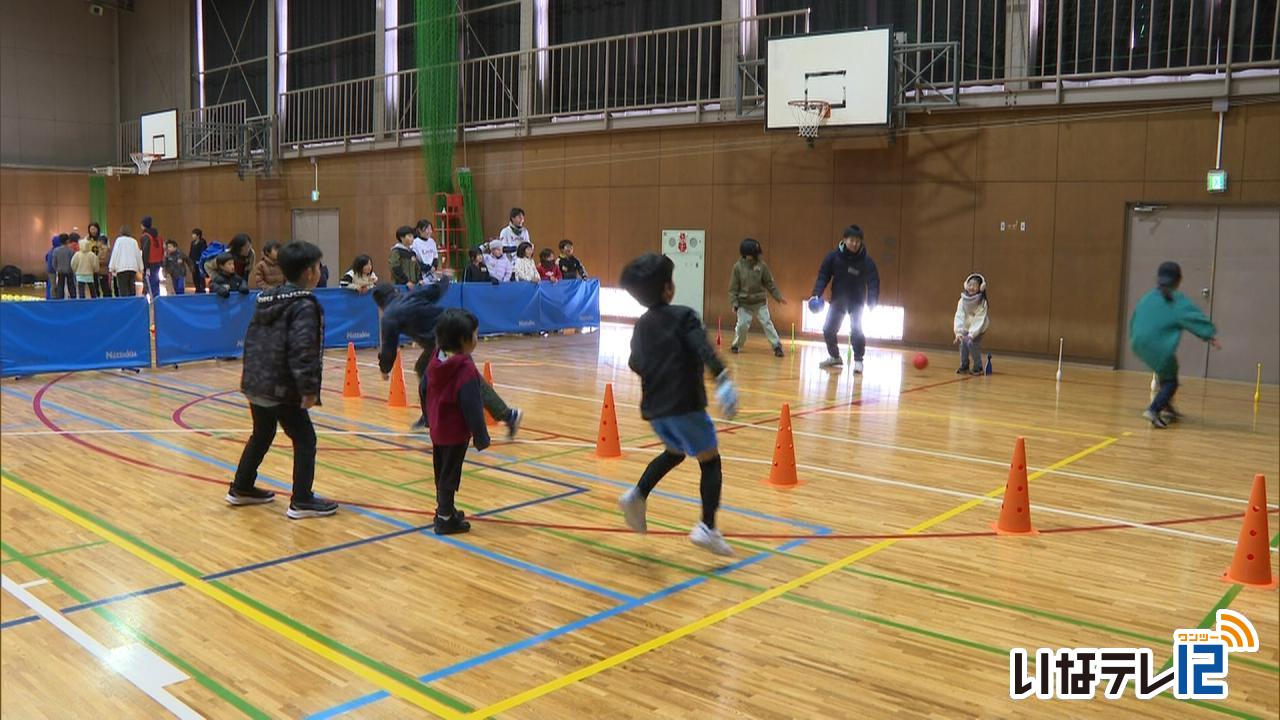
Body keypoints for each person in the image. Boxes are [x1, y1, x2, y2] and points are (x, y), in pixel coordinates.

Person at [615, 253, 740, 556]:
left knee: (675, 453)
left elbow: (635, 362)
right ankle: (707, 527)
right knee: (710, 460)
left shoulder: (641, 325)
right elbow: (702, 347)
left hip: (656, 410)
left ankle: (637, 494)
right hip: (685, 405)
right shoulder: (684, 315)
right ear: (668, 289)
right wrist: (722, 378)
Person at [226, 240, 338, 519]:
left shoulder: (267, 298)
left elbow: (254, 340)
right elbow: (303, 349)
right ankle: (302, 499)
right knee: (305, 439)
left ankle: (241, 487)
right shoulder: (304, 305)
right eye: (318, 265)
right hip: (281, 386)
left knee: (262, 434)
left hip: (256, 382)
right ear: (310, 272)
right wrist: (308, 388)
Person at [373, 280, 522, 436]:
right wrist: (445, 279)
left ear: (379, 302)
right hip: (450, 329)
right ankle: (429, 416)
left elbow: (389, 348)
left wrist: (384, 369)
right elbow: (434, 291)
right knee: (423, 368)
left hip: (446, 341)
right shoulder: (410, 296)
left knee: (469, 378)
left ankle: (509, 415)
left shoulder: (389, 315)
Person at [1129, 261, 1220, 429]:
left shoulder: (1148, 297)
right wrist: (1209, 335)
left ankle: (1167, 406)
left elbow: (1135, 318)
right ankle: (1154, 409)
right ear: (1178, 280)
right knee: (1171, 381)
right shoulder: (1175, 300)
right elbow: (1193, 318)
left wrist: (1134, 338)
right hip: (1157, 346)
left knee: (1169, 369)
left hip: (1137, 342)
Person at [425, 308, 492, 535]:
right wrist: (481, 436)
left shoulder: (435, 359)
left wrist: (428, 416)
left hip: (437, 428)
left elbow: (423, 388)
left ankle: (445, 509)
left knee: (441, 471)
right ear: (464, 340)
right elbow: (472, 405)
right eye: (475, 335)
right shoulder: (465, 370)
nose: (477, 339)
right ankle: (445, 518)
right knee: (450, 474)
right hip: (454, 432)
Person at [809, 225, 880, 373]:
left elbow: (873, 281)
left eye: (858, 241)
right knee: (828, 330)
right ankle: (835, 357)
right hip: (838, 301)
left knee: (856, 330)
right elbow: (823, 276)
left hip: (857, 302)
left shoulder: (866, 261)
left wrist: (872, 300)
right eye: (852, 240)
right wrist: (816, 294)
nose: (854, 244)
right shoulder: (833, 257)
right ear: (844, 240)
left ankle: (859, 360)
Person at [728, 237, 786, 357]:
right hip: (743, 303)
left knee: (767, 323)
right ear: (747, 254)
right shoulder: (737, 267)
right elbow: (733, 288)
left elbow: (770, 284)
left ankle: (777, 346)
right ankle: (736, 345)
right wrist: (734, 303)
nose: (757, 256)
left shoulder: (762, 266)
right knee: (742, 325)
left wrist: (778, 297)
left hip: (759, 302)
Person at [954, 273, 989, 375]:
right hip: (966, 327)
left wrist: (971, 334)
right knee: (963, 345)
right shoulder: (962, 300)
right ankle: (964, 366)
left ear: (981, 287)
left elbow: (979, 319)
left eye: (975, 285)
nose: (971, 287)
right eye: (970, 284)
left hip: (978, 328)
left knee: (972, 344)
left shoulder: (982, 303)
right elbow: (959, 315)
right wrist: (959, 332)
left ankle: (978, 367)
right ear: (966, 285)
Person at [108, 226, 144, 297]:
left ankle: (125, 304)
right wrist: (141, 267)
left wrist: (111, 267)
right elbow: (137, 255)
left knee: (123, 289)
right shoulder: (134, 241)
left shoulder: (119, 240)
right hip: (132, 268)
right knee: (131, 288)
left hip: (121, 269)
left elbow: (115, 253)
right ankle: (133, 303)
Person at [140, 219, 165, 298]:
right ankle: (156, 298)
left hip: (149, 263)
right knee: (155, 281)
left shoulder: (145, 236)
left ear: (143, 225)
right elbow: (162, 250)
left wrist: (145, 266)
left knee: (148, 281)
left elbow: (145, 252)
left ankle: (149, 299)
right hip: (157, 262)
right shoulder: (158, 237)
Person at [87, 223, 112, 297]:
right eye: (91, 229)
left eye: (94, 229)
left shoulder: (103, 238)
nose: (93, 231)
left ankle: (107, 300)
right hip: (92, 267)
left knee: (105, 286)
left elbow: (107, 252)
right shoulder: (87, 239)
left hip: (102, 267)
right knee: (94, 287)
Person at [50, 234, 77, 299]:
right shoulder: (71, 250)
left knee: (60, 286)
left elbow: (54, 263)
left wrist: (57, 268)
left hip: (60, 271)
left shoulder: (56, 250)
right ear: (67, 241)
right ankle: (73, 299)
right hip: (69, 271)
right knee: (71, 286)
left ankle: (60, 300)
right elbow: (73, 262)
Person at [189, 228, 208, 294]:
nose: (192, 236)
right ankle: (197, 288)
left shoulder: (202, 243)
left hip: (199, 262)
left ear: (198, 235)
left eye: (194, 234)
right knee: (194, 276)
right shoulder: (192, 243)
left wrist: (200, 261)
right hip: (193, 262)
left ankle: (202, 289)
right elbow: (191, 253)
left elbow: (203, 253)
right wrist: (190, 261)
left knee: (200, 276)